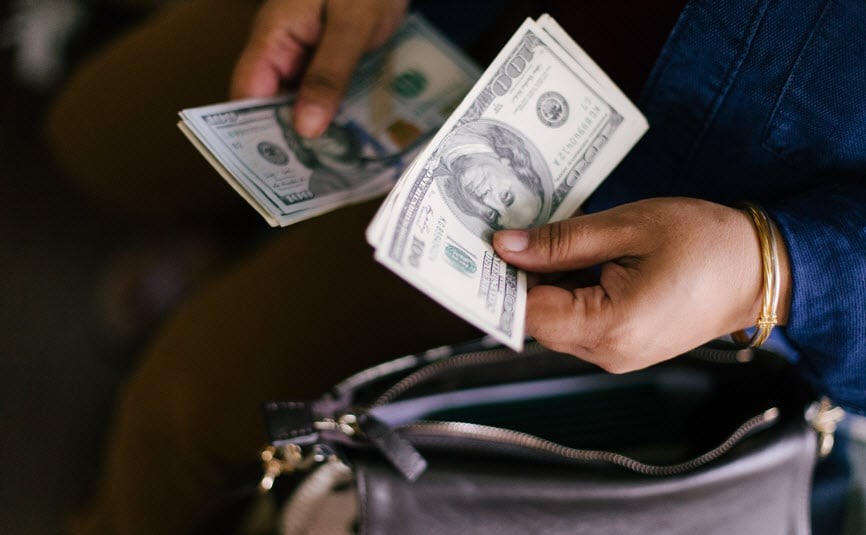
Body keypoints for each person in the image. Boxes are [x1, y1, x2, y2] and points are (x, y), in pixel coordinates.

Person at [45, 0, 865, 534]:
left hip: (663, 220)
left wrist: (777, 269)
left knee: (182, 406)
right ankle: (241, 239)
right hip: (456, 15)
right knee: (95, 129)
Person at [435, 119, 552, 236]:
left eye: (492, 215)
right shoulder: (476, 128)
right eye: (505, 195)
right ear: (511, 165)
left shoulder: (439, 175)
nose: (486, 200)